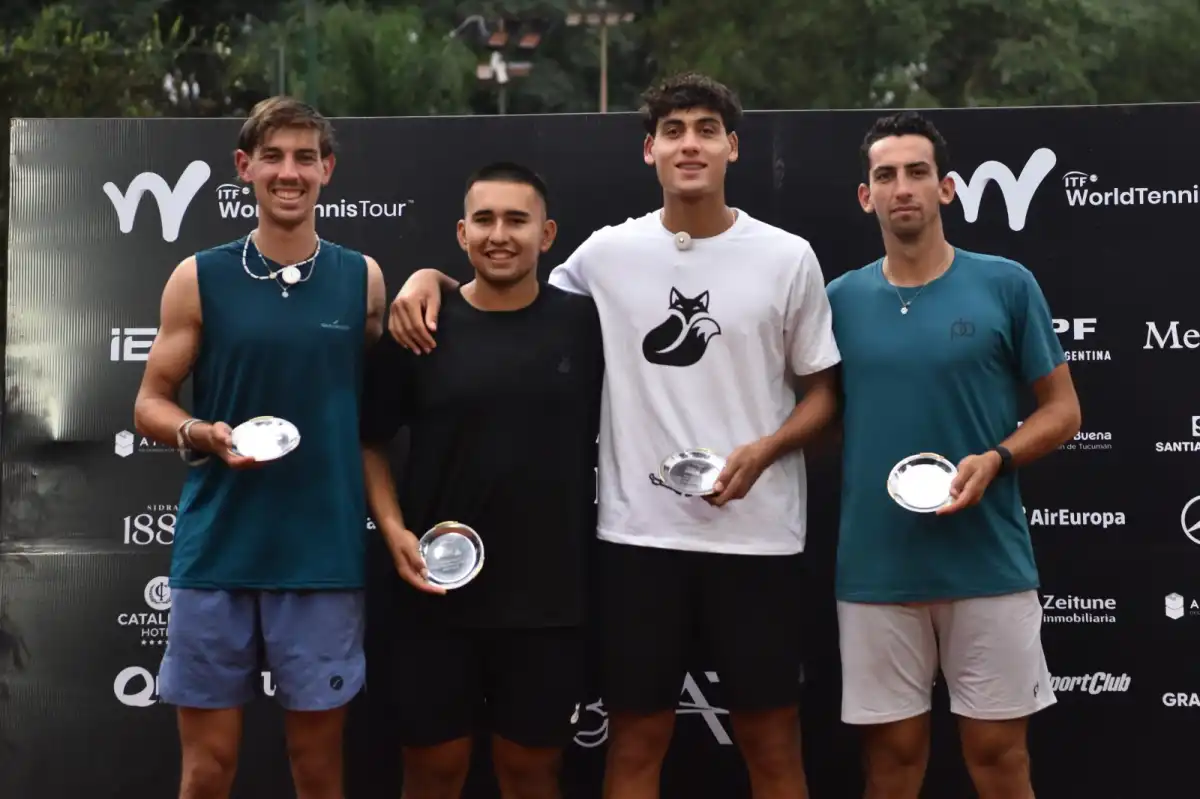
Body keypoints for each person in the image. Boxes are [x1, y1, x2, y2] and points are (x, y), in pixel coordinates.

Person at [385, 73, 841, 799]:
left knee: (773, 743)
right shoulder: (605, 254)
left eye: (704, 129)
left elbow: (824, 395)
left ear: (732, 146)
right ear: (649, 149)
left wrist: (767, 449)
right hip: (636, 541)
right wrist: (429, 277)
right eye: (673, 130)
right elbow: (504, 287)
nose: (688, 143)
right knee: (635, 743)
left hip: (758, 540)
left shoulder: (788, 257)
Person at [132, 96, 386, 799]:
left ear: (327, 170)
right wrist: (197, 432)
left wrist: (431, 278)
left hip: (322, 555)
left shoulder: (363, 278)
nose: (289, 171)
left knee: (317, 769)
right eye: (272, 156)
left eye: (305, 156)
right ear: (243, 168)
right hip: (218, 552)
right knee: (207, 771)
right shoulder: (198, 276)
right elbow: (149, 401)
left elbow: (378, 399)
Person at [826, 110, 1082, 799]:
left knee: (1000, 759)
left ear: (947, 189)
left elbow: (1063, 411)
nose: (901, 186)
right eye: (886, 175)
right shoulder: (838, 300)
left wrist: (996, 458)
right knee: (892, 763)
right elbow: (814, 416)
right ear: (866, 196)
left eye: (917, 172)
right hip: (876, 565)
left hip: (988, 559)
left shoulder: (1005, 283)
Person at [358, 161, 604, 799]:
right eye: (486, 220)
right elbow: (369, 441)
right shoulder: (420, 329)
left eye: (517, 220)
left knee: (531, 776)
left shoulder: (587, 325)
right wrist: (392, 532)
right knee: (434, 774)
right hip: (433, 596)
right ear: (462, 233)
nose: (501, 234)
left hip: (549, 601)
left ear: (546, 235)